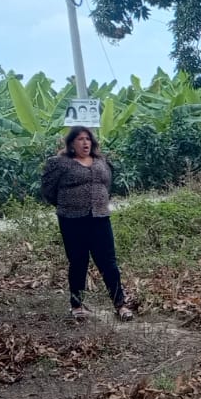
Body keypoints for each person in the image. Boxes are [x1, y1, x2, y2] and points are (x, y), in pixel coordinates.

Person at [40, 126, 133, 322]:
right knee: (78, 262)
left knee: (108, 263)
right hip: (72, 220)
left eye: (88, 139)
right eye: (80, 139)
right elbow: (48, 190)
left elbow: (107, 185)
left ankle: (120, 304)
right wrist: (67, 203)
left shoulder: (101, 162)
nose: (85, 143)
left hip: (100, 218)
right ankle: (76, 305)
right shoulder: (60, 163)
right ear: (71, 143)